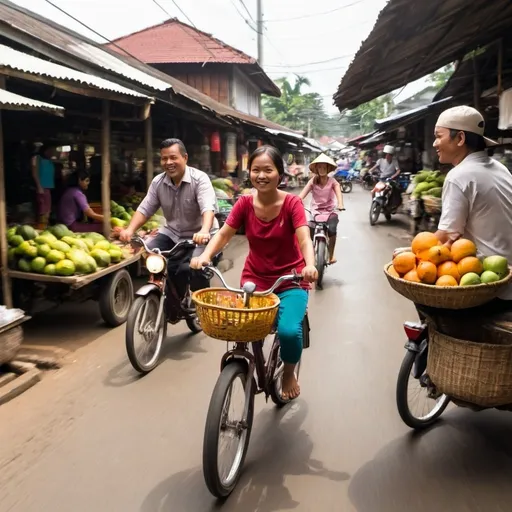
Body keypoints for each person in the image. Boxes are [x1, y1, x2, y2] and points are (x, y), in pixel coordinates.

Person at [191, 145, 317, 400]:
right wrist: (204, 255)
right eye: (256, 170)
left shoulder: (292, 203)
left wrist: (310, 264)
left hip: (291, 279)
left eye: (268, 170)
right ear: (250, 174)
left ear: (280, 174)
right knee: (243, 328)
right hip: (254, 279)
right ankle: (251, 361)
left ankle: (290, 371)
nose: (261, 175)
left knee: (289, 331)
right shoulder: (245, 203)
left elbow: (304, 238)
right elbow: (225, 233)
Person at [433, 105, 512, 304]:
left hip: (486, 285)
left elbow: (445, 236)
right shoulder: (500, 168)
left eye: (438, 136)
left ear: (460, 138)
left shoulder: (459, 176)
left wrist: (410, 253)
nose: (434, 143)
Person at [120, 138, 218, 290]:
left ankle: (199, 308)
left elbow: (207, 208)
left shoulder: (199, 179)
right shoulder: (158, 182)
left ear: (185, 158)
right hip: (172, 234)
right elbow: (145, 209)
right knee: (149, 251)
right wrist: (130, 230)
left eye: (173, 157)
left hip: (199, 236)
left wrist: (204, 231)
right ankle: (166, 297)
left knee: (196, 268)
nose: (168, 162)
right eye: (164, 158)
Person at [299, 153, 345, 264]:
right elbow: (301, 195)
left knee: (332, 230)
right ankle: (306, 255)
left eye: (324, 167)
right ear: (316, 169)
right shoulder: (312, 181)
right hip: (315, 212)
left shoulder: (333, 182)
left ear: (328, 168)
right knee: (308, 233)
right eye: (320, 167)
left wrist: (340, 204)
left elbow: (338, 192)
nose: (322, 169)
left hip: (330, 211)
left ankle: (331, 255)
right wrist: (296, 202)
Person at [32, 144, 56, 225]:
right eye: (50, 150)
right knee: (42, 210)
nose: (52, 153)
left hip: (48, 188)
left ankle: (45, 226)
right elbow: (34, 173)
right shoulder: (37, 158)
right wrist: (39, 186)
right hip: (41, 188)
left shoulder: (50, 161)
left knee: (48, 210)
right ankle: (41, 226)